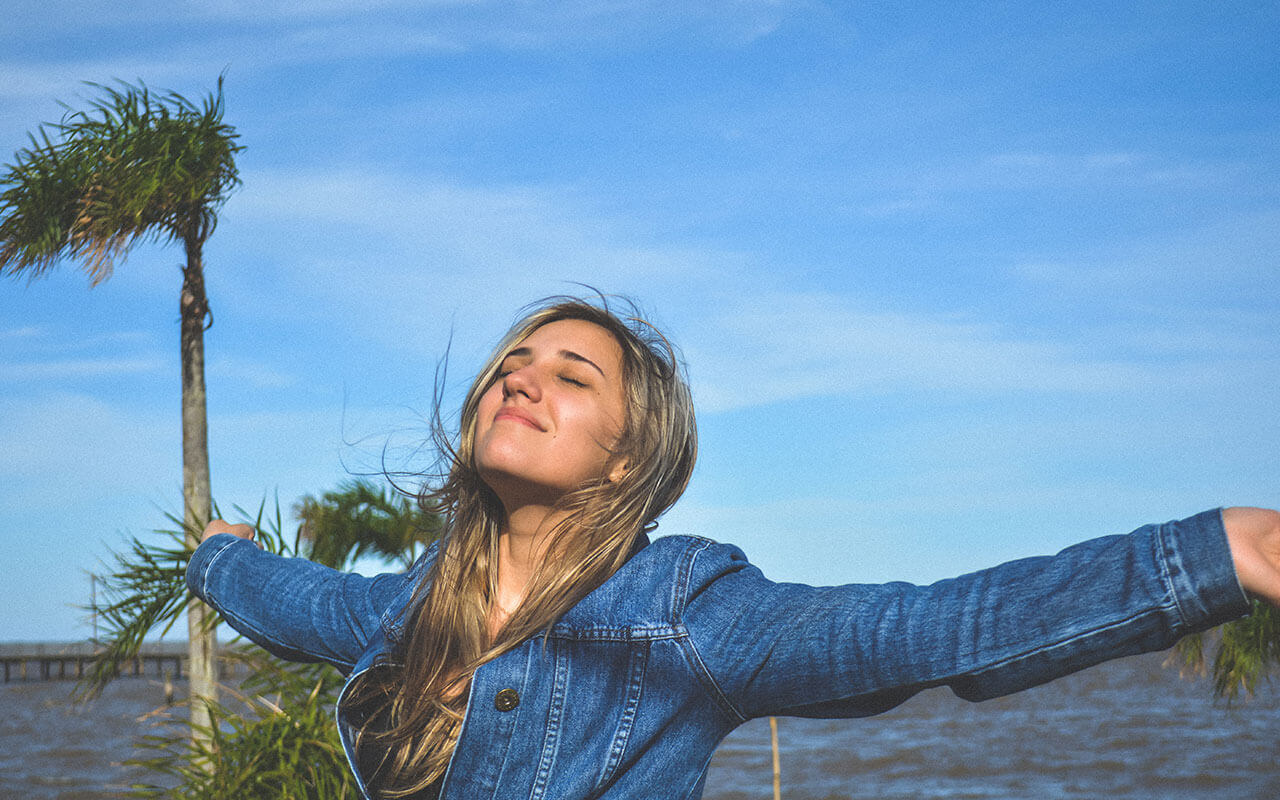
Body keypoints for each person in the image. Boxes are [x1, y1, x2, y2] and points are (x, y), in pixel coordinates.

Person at [189, 296, 1280, 800]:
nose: (520, 378)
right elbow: (291, 599)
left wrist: (1206, 554)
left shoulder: (683, 612)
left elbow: (923, 629)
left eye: (571, 376)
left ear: (627, 457)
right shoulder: (412, 605)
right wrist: (219, 557)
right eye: (512, 363)